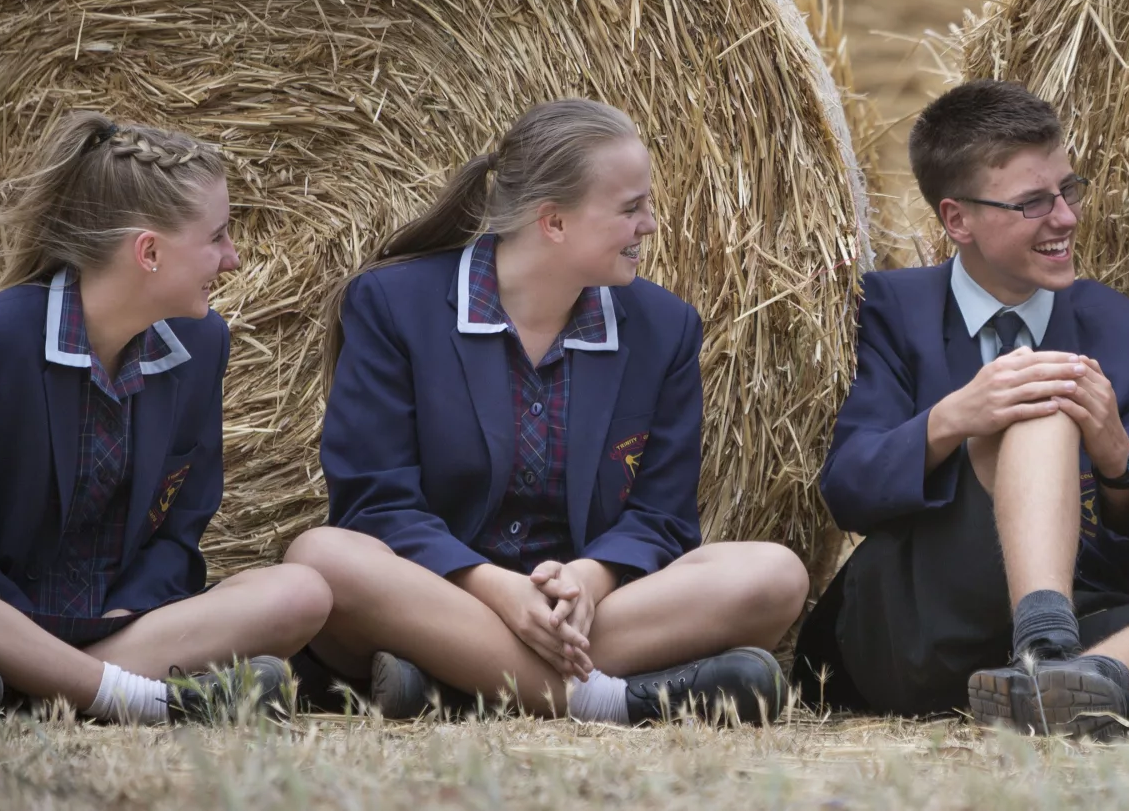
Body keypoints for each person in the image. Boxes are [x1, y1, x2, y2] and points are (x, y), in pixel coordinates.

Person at [284, 99, 809, 725]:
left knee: (774, 575)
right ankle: (604, 699)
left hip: (584, 611)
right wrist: (493, 588)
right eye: (630, 208)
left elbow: (662, 519)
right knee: (321, 558)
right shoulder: (394, 305)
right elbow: (376, 504)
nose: (652, 225)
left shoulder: (665, 328)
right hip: (433, 591)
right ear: (553, 222)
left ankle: (451, 682)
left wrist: (588, 580)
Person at [791, 80, 1129, 740]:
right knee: (1043, 406)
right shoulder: (895, 309)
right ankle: (1051, 655)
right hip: (919, 628)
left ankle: (1057, 686)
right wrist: (953, 418)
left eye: (1069, 190)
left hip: (1087, 617)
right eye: (1033, 203)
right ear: (957, 219)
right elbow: (849, 494)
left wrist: (1115, 455)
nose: (1066, 218)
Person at [0, 112, 330, 723]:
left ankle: (31, 687)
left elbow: (180, 527)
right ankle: (141, 697)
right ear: (149, 252)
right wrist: (19, 627)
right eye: (217, 237)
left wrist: (131, 605)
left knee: (302, 592)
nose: (234, 258)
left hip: (120, 625)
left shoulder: (202, 345)